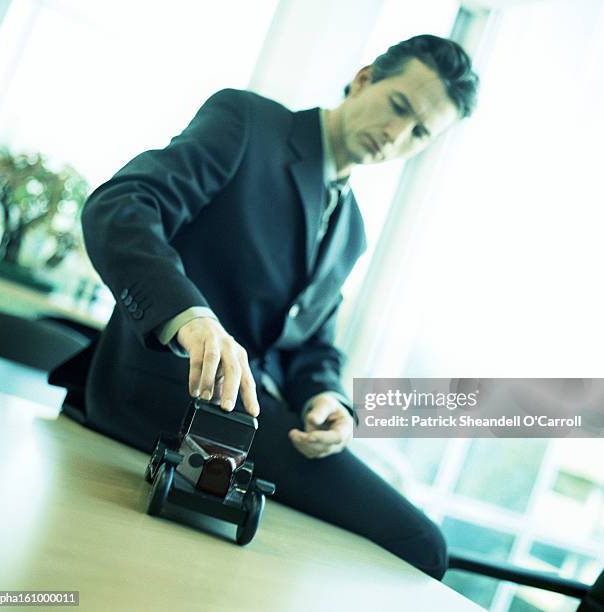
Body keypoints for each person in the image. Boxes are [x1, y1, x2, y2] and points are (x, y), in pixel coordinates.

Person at [51, 34, 478, 580]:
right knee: (421, 542)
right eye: (399, 107)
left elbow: (312, 342)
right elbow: (122, 205)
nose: (396, 135)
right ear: (367, 77)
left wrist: (329, 398)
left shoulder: (351, 231)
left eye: (419, 133)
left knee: (408, 544)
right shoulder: (249, 124)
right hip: (174, 391)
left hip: (253, 420)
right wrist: (192, 319)